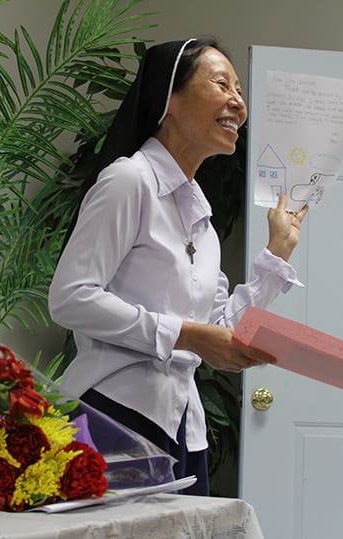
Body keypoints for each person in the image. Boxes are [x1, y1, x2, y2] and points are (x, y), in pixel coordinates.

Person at [48, 37, 308, 496]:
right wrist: (185, 334)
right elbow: (71, 298)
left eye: (241, 91)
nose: (238, 103)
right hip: (112, 417)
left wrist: (276, 256)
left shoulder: (200, 219)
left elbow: (221, 328)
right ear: (170, 98)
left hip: (184, 427)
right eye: (222, 84)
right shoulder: (130, 181)